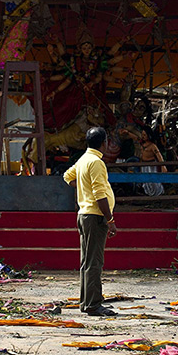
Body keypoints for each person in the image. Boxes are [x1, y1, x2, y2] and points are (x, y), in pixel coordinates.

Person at [63, 127, 118, 316]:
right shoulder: (96, 162)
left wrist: (81, 186)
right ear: (103, 143)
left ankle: (86, 302)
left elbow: (67, 177)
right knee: (94, 262)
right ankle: (93, 303)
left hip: (84, 214)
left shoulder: (83, 160)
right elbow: (100, 194)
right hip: (95, 216)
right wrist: (110, 219)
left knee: (86, 261)